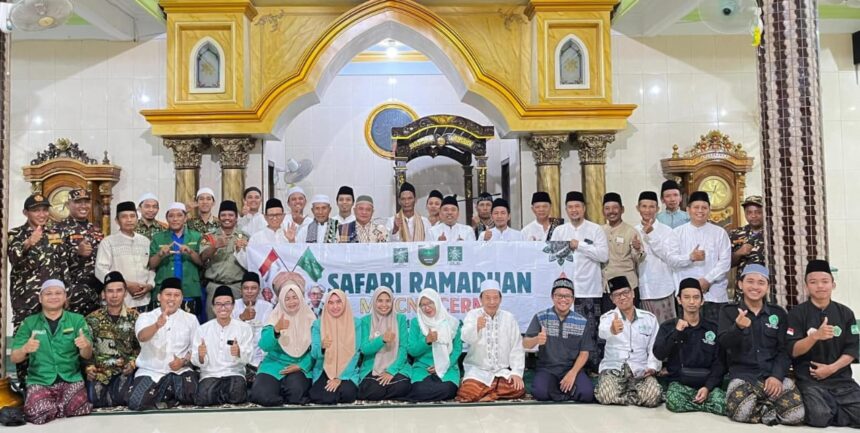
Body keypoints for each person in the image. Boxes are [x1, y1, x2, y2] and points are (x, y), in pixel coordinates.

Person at [718, 264, 804, 425]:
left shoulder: (778, 313)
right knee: (740, 413)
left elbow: (784, 350)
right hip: (743, 377)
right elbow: (723, 344)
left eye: (761, 282)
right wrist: (738, 327)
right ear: (740, 284)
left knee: (796, 415)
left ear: (768, 287)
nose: (755, 287)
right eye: (750, 281)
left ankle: (761, 406)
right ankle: (769, 410)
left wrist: (777, 376)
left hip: (772, 376)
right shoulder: (728, 311)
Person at [787, 259, 860, 428]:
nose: (820, 286)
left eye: (825, 281)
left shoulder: (846, 313)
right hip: (810, 381)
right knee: (819, 418)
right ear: (806, 286)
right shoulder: (796, 314)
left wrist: (831, 369)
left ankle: (834, 410)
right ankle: (836, 411)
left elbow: (853, 348)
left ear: (833, 285)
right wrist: (815, 337)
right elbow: (793, 350)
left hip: (842, 381)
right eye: (813, 282)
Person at [11, 280, 92, 424]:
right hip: (40, 380)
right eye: (48, 293)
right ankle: (55, 407)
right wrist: (25, 349)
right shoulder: (29, 323)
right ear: (40, 298)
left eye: (58, 293)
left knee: (78, 409)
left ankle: (55, 407)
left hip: (70, 378)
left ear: (65, 297)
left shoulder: (77, 320)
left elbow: (87, 355)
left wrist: (85, 346)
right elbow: (15, 358)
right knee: (38, 415)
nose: (53, 297)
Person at [550, 191, 608, 368]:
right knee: (565, 331)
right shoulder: (560, 231)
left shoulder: (595, 229)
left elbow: (603, 255)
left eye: (577, 206)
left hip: (589, 289)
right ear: (566, 209)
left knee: (589, 331)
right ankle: (567, 365)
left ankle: (591, 367)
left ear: (584, 208)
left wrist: (580, 246)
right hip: (565, 290)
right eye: (570, 207)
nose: (574, 210)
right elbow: (551, 256)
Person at [653, 278, 726, 415]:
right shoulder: (668, 326)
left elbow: (720, 363)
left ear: (702, 301)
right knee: (674, 401)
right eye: (686, 297)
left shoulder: (713, 328)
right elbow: (659, 354)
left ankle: (698, 400)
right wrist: (677, 332)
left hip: (706, 383)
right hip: (680, 384)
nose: (691, 302)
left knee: (722, 403)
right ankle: (704, 404)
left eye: (696, 297)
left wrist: (708, 387)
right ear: (679, 300)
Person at [128, 277, 200, 411]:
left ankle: (162, 396)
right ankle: (171, 397)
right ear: (159, 297)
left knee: (194, 396)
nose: (172, 299)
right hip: (151, 371)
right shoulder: (146, 317)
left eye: (176, 295)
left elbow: (194, 349)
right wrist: (156, 325)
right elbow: (142, 337)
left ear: (182, 298)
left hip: (179, 371)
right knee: (136, 402)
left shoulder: (191, 319)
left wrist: (183, 361)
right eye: (168, 294)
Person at [523, 275, 594, 402]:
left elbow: (584, 353)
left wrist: (572, 373)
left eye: (567, 296)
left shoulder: (581, 321)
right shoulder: (541, 317)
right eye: (559, 295)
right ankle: (565, 390)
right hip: (547, 369)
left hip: (572, 368)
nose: (563, 299)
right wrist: (536, 340)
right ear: (552, 297)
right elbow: (525, 344)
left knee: (586, 394)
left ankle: (562, 389)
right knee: (540, 393)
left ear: (572, 299)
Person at [595, 276, 662, 407]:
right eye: (617, 295)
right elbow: (602, 332)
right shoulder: (608, 318)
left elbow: (655, 346)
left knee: (653, 396)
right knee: (605, 394)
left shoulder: (649, 319)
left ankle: (624, 395)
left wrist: (653, 367)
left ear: (632, 293)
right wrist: (612, 330)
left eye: (625, 293)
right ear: (612, 299)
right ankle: (634, 395)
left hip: (640, 370)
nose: (622, 297)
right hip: (614, 368)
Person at [248, 276, 315, 406]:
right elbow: (264, 346)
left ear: (301, 298)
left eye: (294, 297)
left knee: (296, 393)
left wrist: (302, 366)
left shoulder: (310, 319)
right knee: (261, 395)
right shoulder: (275, 317)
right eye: (287, 298)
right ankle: (277, 392)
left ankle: (282, 392)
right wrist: (276, 330)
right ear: (281, 300)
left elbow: (316, 349)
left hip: (298, 366)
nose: (291, 302)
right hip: (274, 365)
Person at [7, 194, 70, 330]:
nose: (42, 214)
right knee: (25, 338)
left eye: (45, 210)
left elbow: (63, 264)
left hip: (52, 298)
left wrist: (67, 292)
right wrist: (28, 243)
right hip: (26, 298)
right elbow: (14, 260)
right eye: (36, 210)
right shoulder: (15, 234)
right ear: (26, 213)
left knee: (53, 337)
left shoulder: (56, 234)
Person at [456, 280, 525, 402]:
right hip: (477, 370)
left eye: (495, 298)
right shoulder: (473, 315)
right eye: (487, 298)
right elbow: (465, 338)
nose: (492, 302)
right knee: (466, 393)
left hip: (501, 372)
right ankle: (493, 391)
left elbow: (517, 347)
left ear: (500, 299)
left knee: (518, 388)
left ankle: (489, 394)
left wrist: (516, 373)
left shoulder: (509, 318)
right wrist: (476, 327)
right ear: (481, 299)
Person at [673, 191, 732, 324]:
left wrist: (707, 280)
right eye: (696, 207)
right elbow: (672, 260)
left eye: (704, 208)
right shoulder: (677, 233)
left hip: (715, 295)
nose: (700, 211)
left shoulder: (719, 233)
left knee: (716, 335)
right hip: (688, 297)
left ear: (709, 210)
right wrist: (690, 257)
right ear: (688, 209)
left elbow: (725, 262)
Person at [85, 272, 140, 408]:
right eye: (110, 291)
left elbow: (142, 347)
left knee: (124, 398)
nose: (114, 295)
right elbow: (86, 348)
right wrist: (88, 367)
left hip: (124, 370)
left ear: (125, 293)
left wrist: (133, 363)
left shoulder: (135, 317)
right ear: (104, 294)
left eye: (119, 291)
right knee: (94, 400)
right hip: (100, 372)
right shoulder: (92, 319)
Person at [192, 286, 254, 406]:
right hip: (210, 373)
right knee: (204, 398)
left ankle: (224, 393)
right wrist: (200, 356)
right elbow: (196, 360)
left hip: (234, 372)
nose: (223, 308)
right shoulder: (202, 329)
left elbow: (248, 357)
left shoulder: (244, 328)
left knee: (236, 394)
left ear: (233, 305)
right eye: (219, 304)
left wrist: (239, 352)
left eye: (227, 304)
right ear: (213, 307)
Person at [95, 201, 156, 312]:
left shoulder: (145, 241)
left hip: (145, 300)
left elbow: (151, 267)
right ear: (117, 221)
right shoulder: (108, 242)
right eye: (124, 217)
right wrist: (125, 284)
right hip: (120, 301)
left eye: (132, 216)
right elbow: (100, 270)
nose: (129, 220)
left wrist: (150, 285)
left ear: (137, 219)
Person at [635, 191, 685, 323]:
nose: (647, 210)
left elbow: (669, 257)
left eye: (651, 207)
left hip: (664, 287)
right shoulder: (633, 231)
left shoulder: (667, 231)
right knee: (646, 330)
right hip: (643, 288)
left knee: (668, 330)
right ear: (637, 208)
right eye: (644, 206)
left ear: (657, 209)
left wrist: (651, 235)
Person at [148, 202, 204, 317]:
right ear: (167, 218)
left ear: (185, 218)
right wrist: (160, 254)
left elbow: (201, 262)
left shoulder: (197, 236)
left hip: (189, 291)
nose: (175, 219)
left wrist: (190, 252)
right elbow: (151, 265)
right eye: (171, 216)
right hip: (164, 291)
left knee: (189, 326)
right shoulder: (157, 238)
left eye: (179, 215)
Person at [406, 288, 462, 402]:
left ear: (437, 302)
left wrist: (442, 366)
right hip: (423, 367)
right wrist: (426, 341)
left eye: (430, 303)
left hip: (448, 367)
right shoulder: (416, 323)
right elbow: (412, 350)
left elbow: (457, 349)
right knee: (419, 389)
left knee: (449, 389)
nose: (427, 308)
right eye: (422, 305)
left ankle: (420, 396)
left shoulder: (452, 323)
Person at [357, 286, 412, 401]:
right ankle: (388, 393)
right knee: (371, 390)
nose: (384, 305)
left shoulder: (400, 319)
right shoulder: (366, 320)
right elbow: (364, 349)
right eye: (380, 301)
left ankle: (386, 391)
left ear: (392, 302)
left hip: (397, 367)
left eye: (388, 301)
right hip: (372, 367)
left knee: (402, 386)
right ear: (374, 302)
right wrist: (382, 339)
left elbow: (403, 348)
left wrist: (391, 371)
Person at [56, 188, 104, 316]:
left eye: (86, 202)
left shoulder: (96, 230)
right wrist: (77, 254)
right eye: (78, 202)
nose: (83, 206)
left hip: (95, 293)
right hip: (72, 294)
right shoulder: (57, 230)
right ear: (68, 205)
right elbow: (53, 262)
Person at [309, 289, 361, 404]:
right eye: (331, 303)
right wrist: (322, 347)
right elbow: (314, 353)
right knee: (317, 396)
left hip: (348, 370)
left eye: (338, 302)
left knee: (348, 393)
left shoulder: (356, 323)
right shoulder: (318, 324)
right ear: (326, 305)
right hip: (324, 368)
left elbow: (356, 353)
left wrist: (340, 378)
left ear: (345, 303)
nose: (335, 306)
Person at [199, 200, 249, 319]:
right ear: (219, 217)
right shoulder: (209, 237)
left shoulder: (245, 237)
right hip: (214, 286)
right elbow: (202, 258)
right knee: (213, 322)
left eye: (231, 215)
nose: (227, 218)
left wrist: (242, 249)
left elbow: (251, 262)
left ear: (236, 218)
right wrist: (214, 246)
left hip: (237, 287)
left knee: (237, 322)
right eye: (223, 215)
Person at [601, 192, 643, 310]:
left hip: (627, 287)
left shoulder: (631, 231)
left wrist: (637, 248)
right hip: (607, 288)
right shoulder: (599, 231)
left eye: (615, 208)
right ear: (603, 211)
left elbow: (638, 259)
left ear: (622, 209)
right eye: (607, 208)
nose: (611, 211)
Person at [232, 272, 274, 372]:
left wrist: (264, 361)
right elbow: (228, 333)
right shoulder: (233, 306)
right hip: (237, 359)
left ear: (259, 290)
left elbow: (268, 335)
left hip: (260, 360)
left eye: (253, 288)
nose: (249, 291)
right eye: (246, 288)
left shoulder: (267, 307)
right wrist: (242, 317)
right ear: (241, 290)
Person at [729, 195, 765, 303]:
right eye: (749, 212)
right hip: (744, 289)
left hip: (767, 288)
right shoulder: (736, 234)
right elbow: (727, 263)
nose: (753, 216)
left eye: (758, 212)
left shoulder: (774, 232)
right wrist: (739, 253)